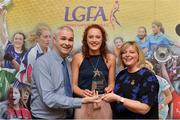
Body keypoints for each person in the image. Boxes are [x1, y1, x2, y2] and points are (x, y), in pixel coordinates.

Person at [31, 25, 100, 119]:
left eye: (70, 40)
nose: (67, 43)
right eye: (63, 39)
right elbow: (49, 98)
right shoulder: (42, 63)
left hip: (65, 116)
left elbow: (68, 88)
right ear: (54, 40)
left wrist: (84, 93)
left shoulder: (67, 62)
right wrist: (81, 101)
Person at [102, 41, 159, 119]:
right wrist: (109, 94)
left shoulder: (148, 76)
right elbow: (117, 98)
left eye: (132, 52)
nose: (127, 55)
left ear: (139, 55)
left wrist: (118, 98)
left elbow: (144, 109)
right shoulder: (121, 75)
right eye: (124, 53)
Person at [72, 24, 116, 119]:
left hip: (103, 103)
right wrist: (83, 93)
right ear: (86, 39)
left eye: (98, 37)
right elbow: (73, 86)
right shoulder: (78, 58)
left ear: (102, 39)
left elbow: (112, 84)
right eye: (91, 37)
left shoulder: (110, 58)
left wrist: (109, 89)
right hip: (83, 103)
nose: (94, 40)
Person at [0, 5, 26, 71]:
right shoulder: (9, 46)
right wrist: (1, 15)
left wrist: (12, 59)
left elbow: (22, 70)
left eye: (20, 39)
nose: (17, 41)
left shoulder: (26, 53)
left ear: (23, 41)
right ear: (13, 40)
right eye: (16, 39)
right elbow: (2, 31)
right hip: (5, 78)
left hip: (17, 80)